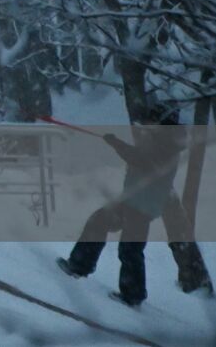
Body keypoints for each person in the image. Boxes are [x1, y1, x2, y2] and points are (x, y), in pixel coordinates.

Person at [57, 105, 184, 306]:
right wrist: (116, 143)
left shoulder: (168, 143)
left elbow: (141, 159)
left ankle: (133, 294)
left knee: (130, 249)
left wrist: (116, 144)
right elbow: (139, 156)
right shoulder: (162, 139)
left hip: (143, 204)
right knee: (100, 220)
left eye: (153, 120)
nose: (149, 123)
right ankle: (79, 266)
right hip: (134, 199)